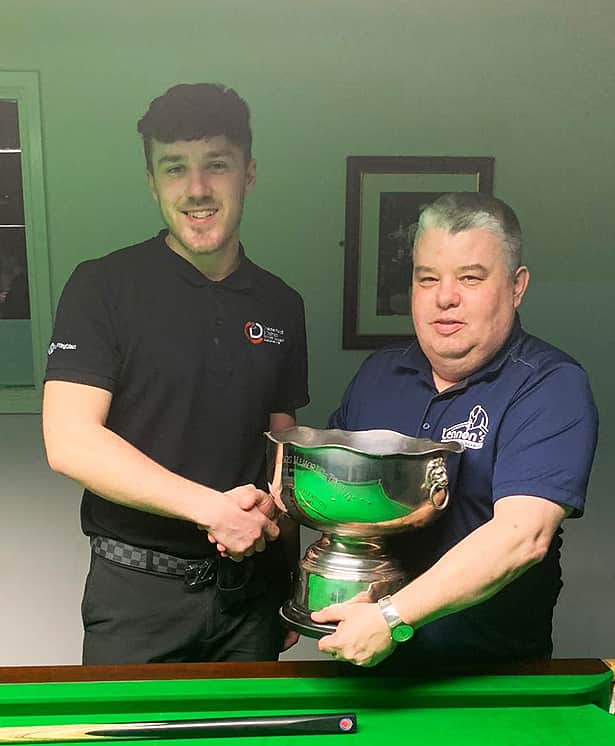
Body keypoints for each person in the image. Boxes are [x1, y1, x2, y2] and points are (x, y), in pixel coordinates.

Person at [43, 83, 309, 664]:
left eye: (217, 164)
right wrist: (211, 509)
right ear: (152, 182)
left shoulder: (280, 304)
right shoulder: (102, 288)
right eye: (174, 168)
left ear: (249, 173)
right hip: (138, 599)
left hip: (249, 595)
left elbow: (281, 449)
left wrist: (290, 580)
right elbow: (70, 442)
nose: (197, 189)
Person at [313, 192, 597, 668]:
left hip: (488, 684)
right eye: (428, 279)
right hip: (366, 670)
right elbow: (332, 490)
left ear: (516, 286)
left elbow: (520, 536)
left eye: (470, 277)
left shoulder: (551, 385)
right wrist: (266, 505)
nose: (445, 297)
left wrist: (390, 617)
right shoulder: (377, 375)